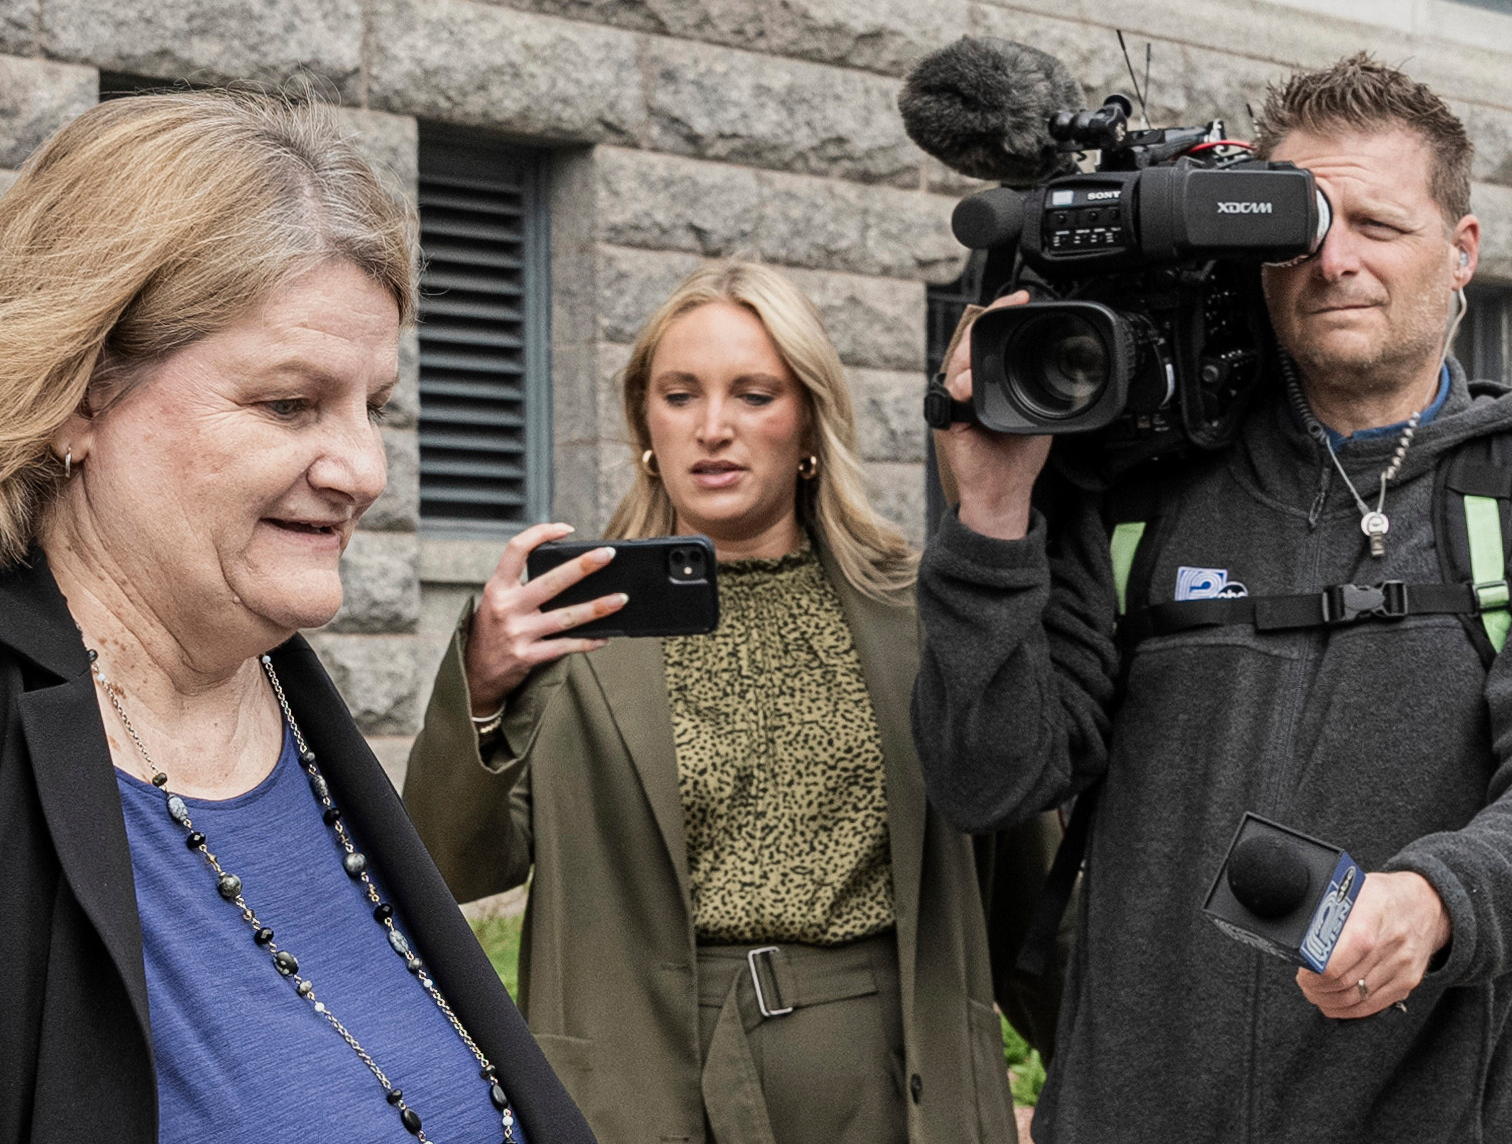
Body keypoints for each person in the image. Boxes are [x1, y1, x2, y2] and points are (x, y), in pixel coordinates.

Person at [0, 93, 595, 1144]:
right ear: (78, 393)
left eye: (376, 405)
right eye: (288, 404)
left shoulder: (280, 691)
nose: (366, 470)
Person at [915, 53, 1512, 1143]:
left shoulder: (1501, 495)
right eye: (1300, 228)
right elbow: (988, 777)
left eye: (1376, 225)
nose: (1335, 262)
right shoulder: (1140, 492)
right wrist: (994, 516)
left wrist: (1434, 901)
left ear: (1461, 251)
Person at [403, 259, 1064, 1144]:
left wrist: (1116, 1070)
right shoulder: (569, 622)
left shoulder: (921, 613)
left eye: (753, 394)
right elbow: (447, 872)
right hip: (651, 1074)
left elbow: (1027, 893)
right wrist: (482, 686)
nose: (713, 428)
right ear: (646, 421)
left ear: (809, 425)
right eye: (680, 395)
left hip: (898, 1063)